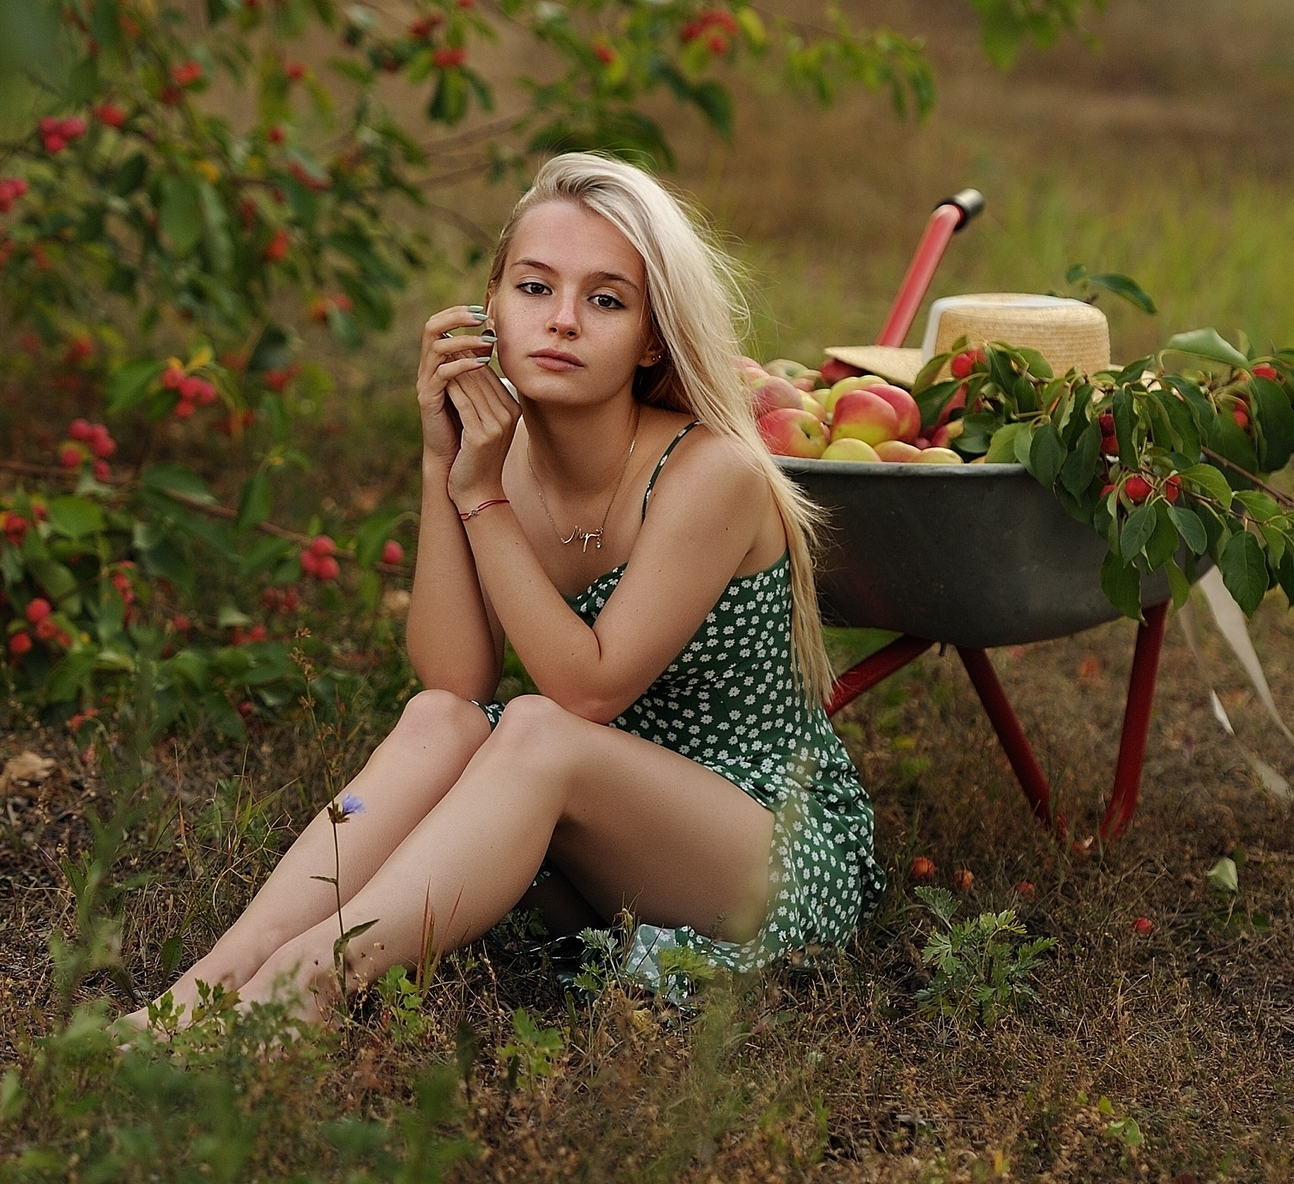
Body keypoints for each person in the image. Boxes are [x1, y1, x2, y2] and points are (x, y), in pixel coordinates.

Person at [136, 152, 881, 1025]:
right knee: (441, 722)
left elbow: (589, 691)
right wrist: (440, 459)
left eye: (605, 299)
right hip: (602, 847)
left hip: (767, 849)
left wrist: (480, 498)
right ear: (487, 307)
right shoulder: (500, 457)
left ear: (651, 336)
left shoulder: (708, 472)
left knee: (538, 728)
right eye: (534, 288)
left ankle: (310, 989)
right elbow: (455, 681)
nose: (562, 321)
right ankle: (207, 988)